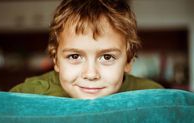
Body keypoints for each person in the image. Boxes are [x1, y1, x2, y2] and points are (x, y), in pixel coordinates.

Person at [10, 0, 163, 99]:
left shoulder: (154, 97)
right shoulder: (28, 95)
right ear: (56, 59)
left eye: (107, 57)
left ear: (128, 60)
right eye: (75, 56)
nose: (91, 74)